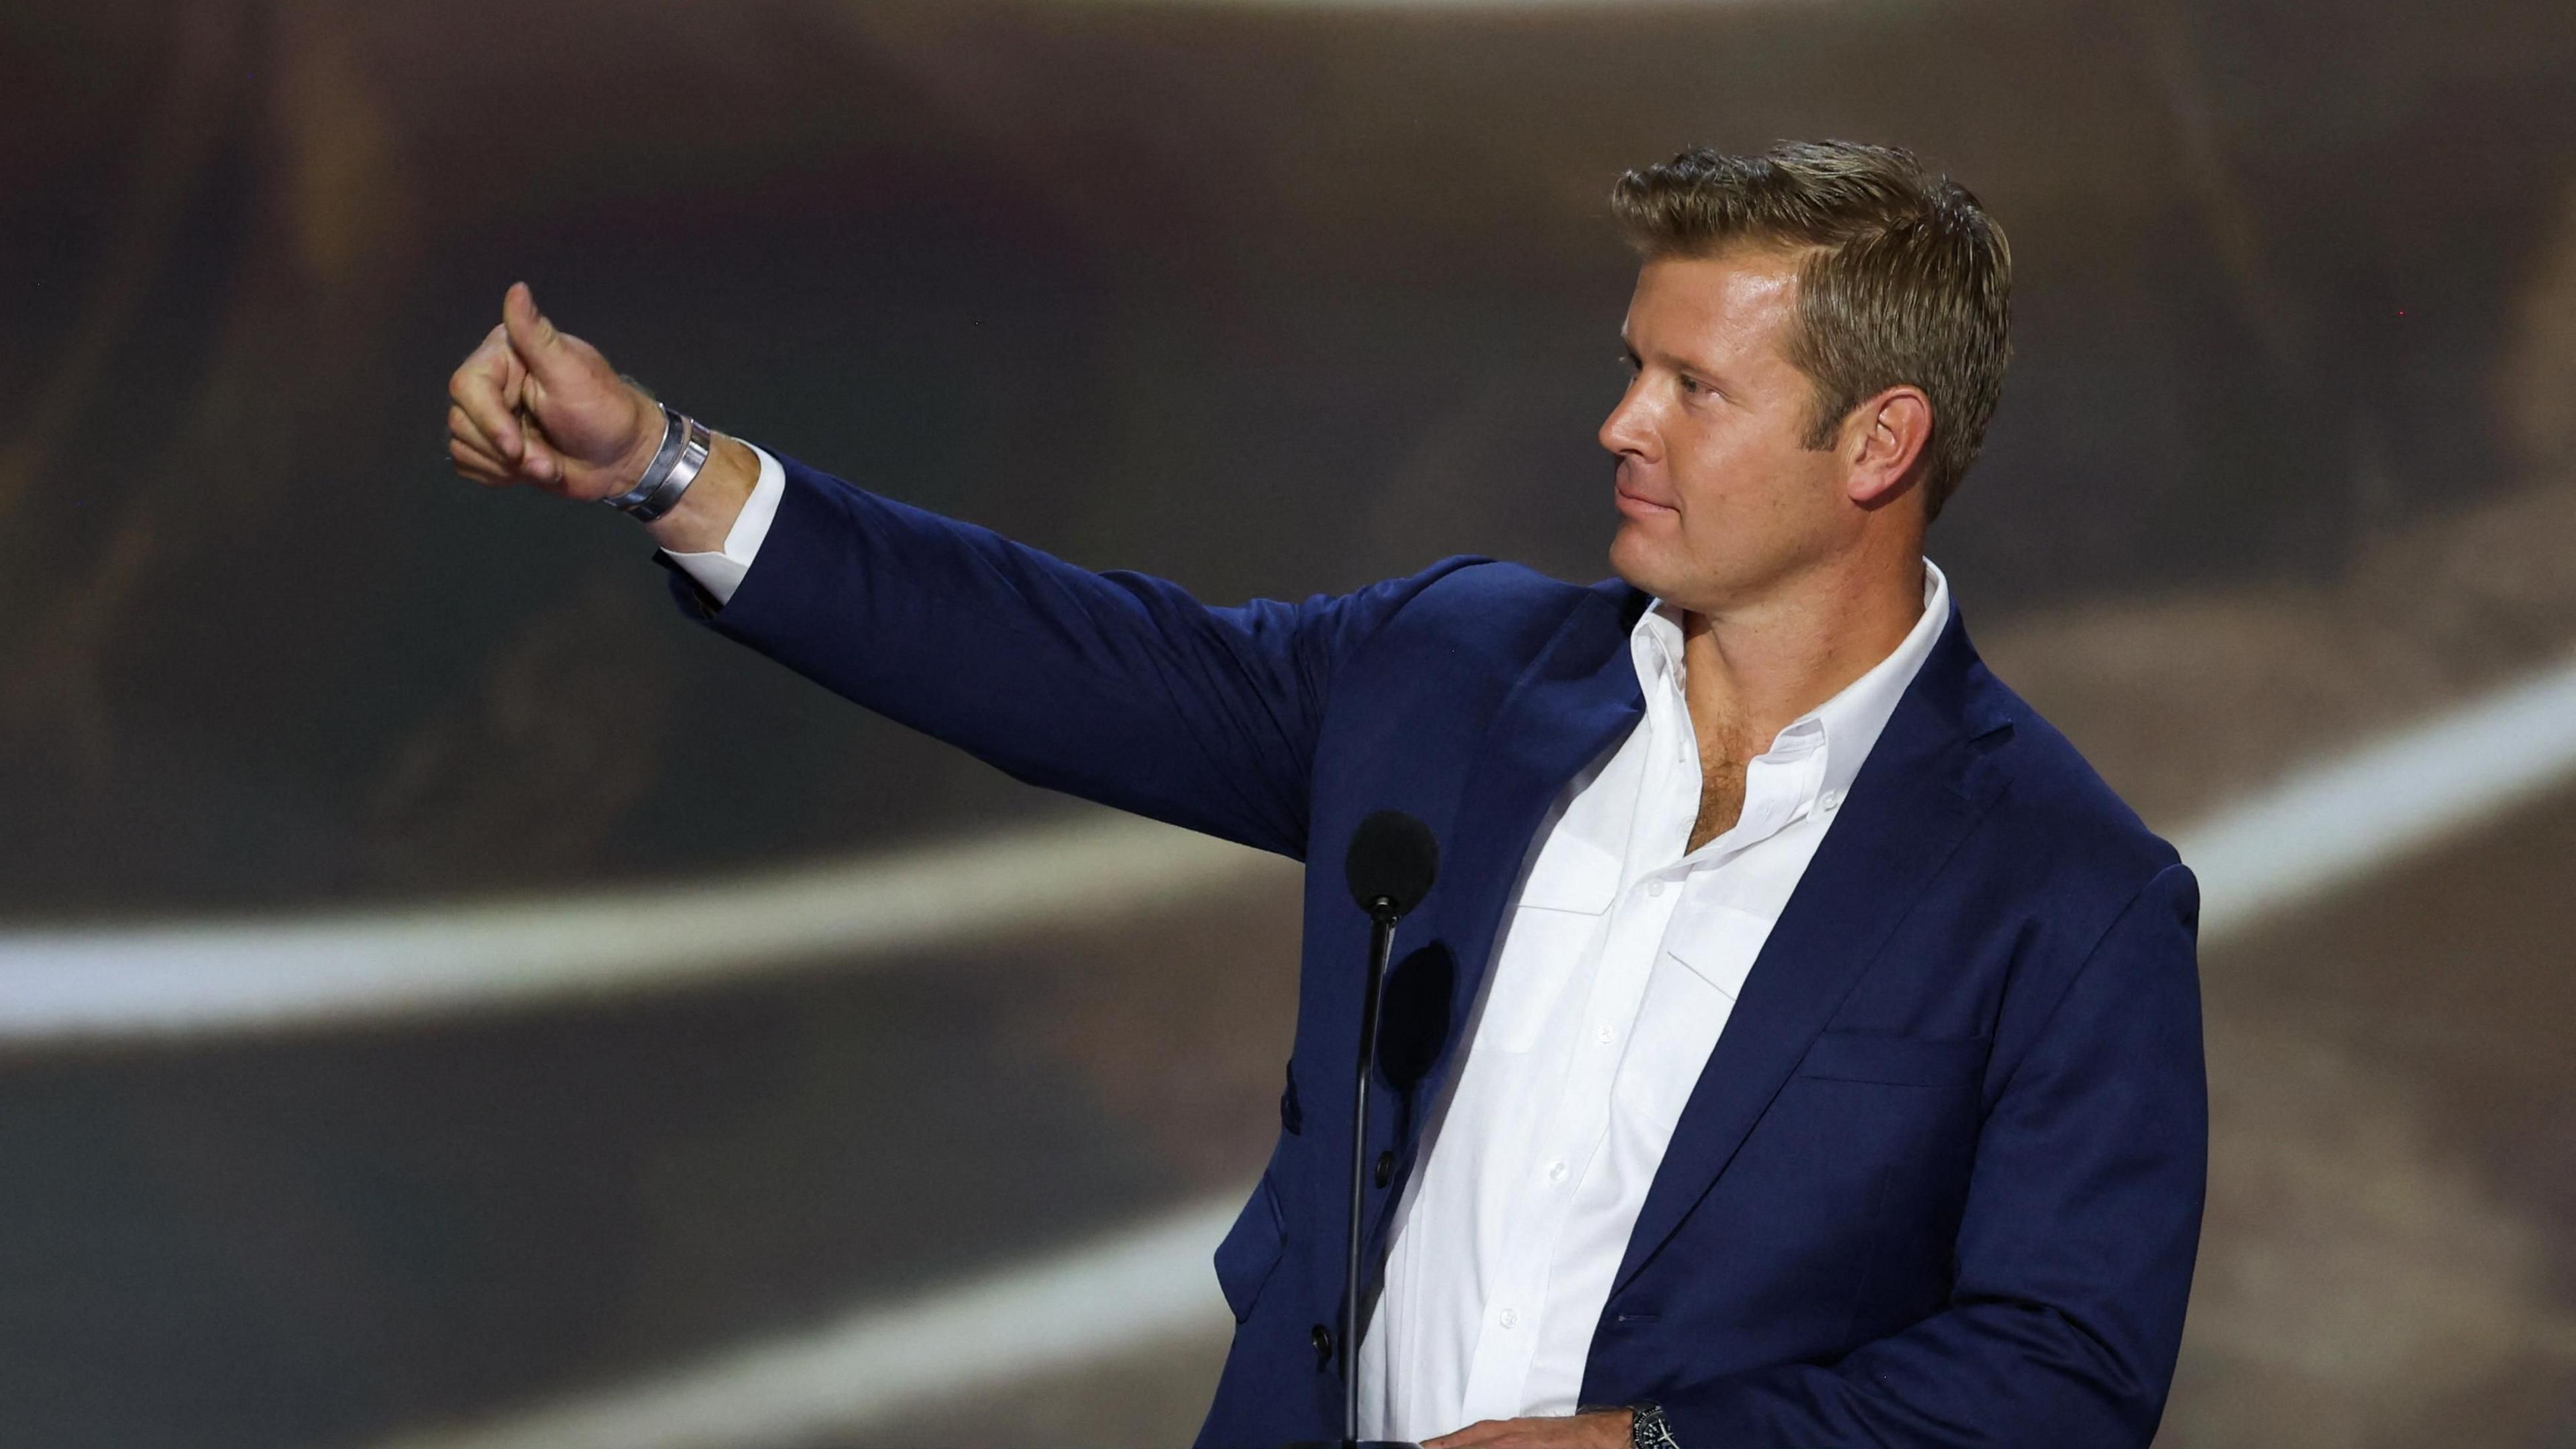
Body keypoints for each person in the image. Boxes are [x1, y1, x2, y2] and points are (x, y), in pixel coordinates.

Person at [445, 139, 2205, 1449]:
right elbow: (1060, 659)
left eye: (1692, 385)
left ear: (1880, 444)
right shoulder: (1451, 674)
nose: (1619, 423)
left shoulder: (2065, 891)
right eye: (1628, 363)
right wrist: (666, 471)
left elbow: (2061, 1374)